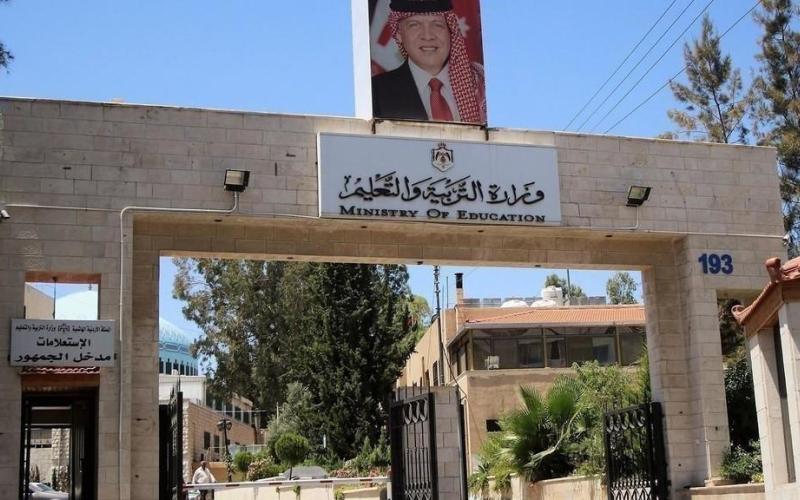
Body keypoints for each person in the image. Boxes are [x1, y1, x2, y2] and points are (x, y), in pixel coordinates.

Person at [372, 0, 486, 123]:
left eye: (437, 25)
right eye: (414, 25)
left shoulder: (482, 86)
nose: (428, 36)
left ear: (451, 31)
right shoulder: (375, 93)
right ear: (399, 34)